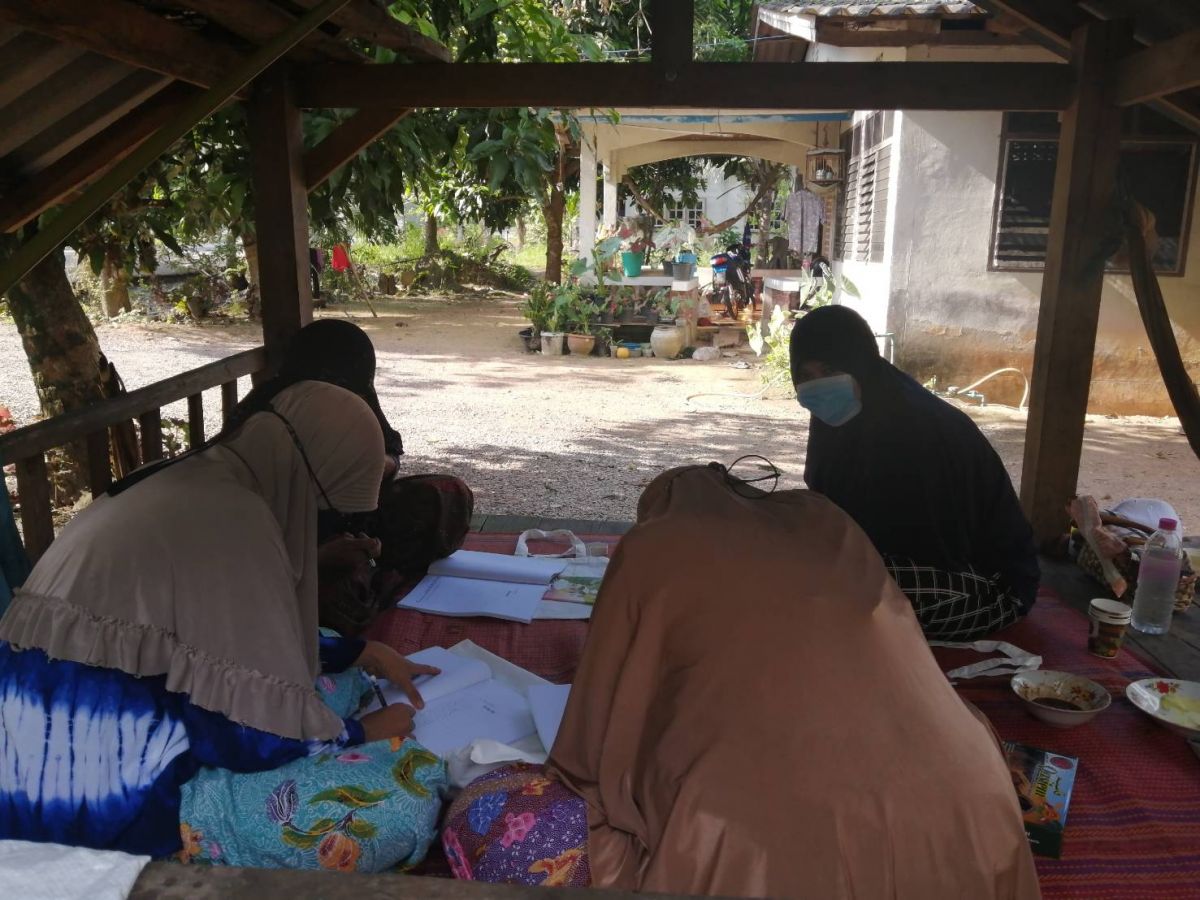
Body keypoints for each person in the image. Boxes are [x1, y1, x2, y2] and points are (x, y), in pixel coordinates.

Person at [441, 465, 1040, 898]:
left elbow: (595, 730)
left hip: (752, 845)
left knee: (495, 814)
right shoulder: (829, 523)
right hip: (971, 808)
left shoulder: (654, 545)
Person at [0, 382, 448, 870]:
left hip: (46, 728)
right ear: (311, 483)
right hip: (91, 787)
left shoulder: (198, 477)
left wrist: (364, 653)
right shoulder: (235, 517)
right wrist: (361, 734)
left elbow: (226, 641)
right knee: (403, 800)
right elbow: (247, 738)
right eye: (329, 512)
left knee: (330, 665)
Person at [790, 305, 1039, 640]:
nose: (818, 385)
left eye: (829, 369)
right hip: (911, 562)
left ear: (858, 362)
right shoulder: (847, 413)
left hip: (987, 582)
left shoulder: (915, 428)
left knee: (835, 591)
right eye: (806, 376)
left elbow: (936, 549)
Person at [225, 319, 474, 635]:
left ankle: (370, 564)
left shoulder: (353, 397)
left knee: (445, 493)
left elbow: (390, 451)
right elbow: (243, 539)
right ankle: (368, 572)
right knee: (338, 601)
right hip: (289, 538)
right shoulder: (268, 413)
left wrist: (376, 465)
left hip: (359, 516)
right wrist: (318, 556)